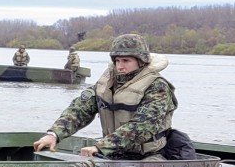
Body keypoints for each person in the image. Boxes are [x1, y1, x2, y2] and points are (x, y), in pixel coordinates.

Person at [33, 34, 177, 160]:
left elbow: (143, 126)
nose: (120, 66)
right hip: (111, 153)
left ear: (141, 61)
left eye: (126, 61)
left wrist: (101, 147)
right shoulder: (107, 83)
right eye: (117, 61)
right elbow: (79, 110)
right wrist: (54, 134)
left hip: (147, 156)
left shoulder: (157, 87)